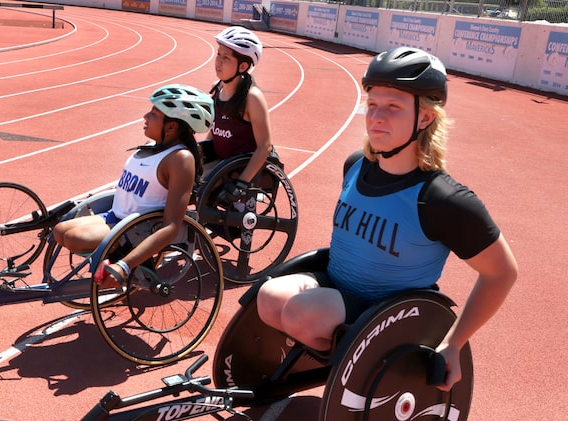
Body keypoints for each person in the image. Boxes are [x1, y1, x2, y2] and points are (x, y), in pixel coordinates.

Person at [256, 47, 517, 391]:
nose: (377, 116)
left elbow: (502, 272)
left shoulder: (443, 199)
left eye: (393, 107)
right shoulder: (355, 165)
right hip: (336, 289)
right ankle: (329, 352)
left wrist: (454, 343)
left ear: (424, 118)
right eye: (373, 105)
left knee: (299, 313)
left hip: (388, 313)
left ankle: (356, 369)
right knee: (268, 298)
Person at [52, 84, 213, 286]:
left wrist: (125, 265)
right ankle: (114, 257)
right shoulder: (152, 148)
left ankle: (126, 261)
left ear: (171, 127)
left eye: (153, 114)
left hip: (134, 230)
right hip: (116, 218)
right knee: (60, 231)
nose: (145, 117)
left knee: (74, 237)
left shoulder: (180, 159)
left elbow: (172, 226)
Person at [205, 26, 274, 199]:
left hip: (239, 172)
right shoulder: (217, 88)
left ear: (243, 66)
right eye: (218, 54)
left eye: (226, 57)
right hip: (221, 165)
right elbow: (215, 130)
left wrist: (242, 183)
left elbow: (265, 147)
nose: (218, 61)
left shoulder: (252, 98)